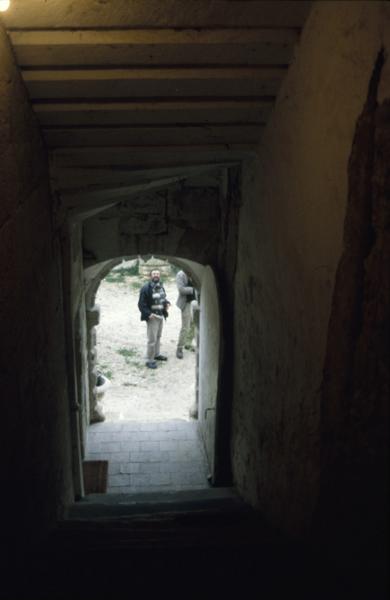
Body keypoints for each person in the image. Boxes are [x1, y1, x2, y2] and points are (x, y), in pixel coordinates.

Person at [138, 269, 170, 369]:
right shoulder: (146, 288)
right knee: (152, 339)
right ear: (150, 276)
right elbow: (141, 304)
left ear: (159, 276)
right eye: (154, 274)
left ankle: (156, 355)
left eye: (157, 274)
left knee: (158, 337)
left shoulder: (161, 286)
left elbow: (163, 298)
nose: (156, 275)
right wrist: (148, 314)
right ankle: (150, 360)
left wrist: (167, 303)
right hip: (153, 317)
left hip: (160, 316)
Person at [175, 269, 196, 359]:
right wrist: (194, 289)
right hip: (186, 303)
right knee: (185, 326)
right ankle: (179, 348)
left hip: (194, 301)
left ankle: (188, 343)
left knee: (194, 324)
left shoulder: (194, 271)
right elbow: (181, 290)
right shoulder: (180, 274)